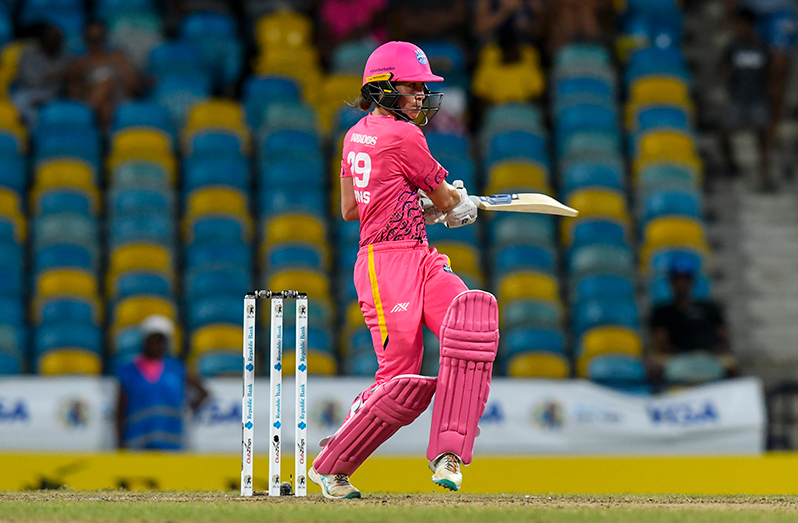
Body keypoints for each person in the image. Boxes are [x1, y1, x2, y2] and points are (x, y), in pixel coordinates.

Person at [308, 41, 499, 499]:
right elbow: (449, 202)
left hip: (416, 253)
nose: (421, 97)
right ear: (384, 88)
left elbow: (351, 207)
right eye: (413, 88)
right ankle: (332, 463)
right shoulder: (406, 136)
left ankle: (449, 454)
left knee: (471, 319)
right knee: (400, 382)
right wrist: (457, 205)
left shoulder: (354, 135)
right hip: (384, 264)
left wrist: (414, 205)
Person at [115, 315, 209, 450]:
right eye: (152, 340)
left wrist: (190, 407)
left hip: (171, 444)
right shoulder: (128, 371)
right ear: (144, 341)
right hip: (137, 444)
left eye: (160, 340)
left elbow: (203, 392)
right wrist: (120, 443)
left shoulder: (177, 369)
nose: (156, 345)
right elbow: (120, 410)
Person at [648, 258, 738, 384]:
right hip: (674, 356)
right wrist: (684, 355)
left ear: (692, 281)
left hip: (710, 354)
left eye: (685, 279)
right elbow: (660, 341)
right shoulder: (662, 311)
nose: (681, 284)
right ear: (671, 282)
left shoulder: (709, 308)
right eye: (677, 280)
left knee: (733, 366)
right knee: (653, 366)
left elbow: (723, 336)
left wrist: (711, 353)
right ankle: (659, 398)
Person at [719, 8, 773, 190]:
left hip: (758, 99)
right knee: (724, 134)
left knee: (763, 136)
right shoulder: (733, 47)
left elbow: (770, 73)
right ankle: (730, 166)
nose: (740, 28)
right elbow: (722, 69)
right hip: (737, 98)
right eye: (738, 24)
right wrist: (727, 75)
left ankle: (764, 174)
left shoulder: (762, 47)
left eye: (743, 24)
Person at [67, 20, 140, 129]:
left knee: (107, 83)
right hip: (92, 97)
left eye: (99, 39)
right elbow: (73, 90)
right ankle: (106, 136)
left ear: (105, 38)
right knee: (105, 105)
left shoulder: (118, 57)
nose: (96, 44)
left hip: (119, 97)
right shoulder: (80, 63)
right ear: (85, 39)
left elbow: (133, 85)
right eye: (92, 40)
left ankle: (84, 118)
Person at [11, 23, 71, 128]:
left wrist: (53, 79)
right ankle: (31, 134)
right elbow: (28, 79)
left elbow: (63, 82)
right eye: (50, 39)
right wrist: (52, 77)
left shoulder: (65, 56)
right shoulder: (29, 53)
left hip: (53, 94)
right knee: (20, 102)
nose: (53, 42)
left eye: (57, 40)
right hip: (28, 91)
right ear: (42, 40)